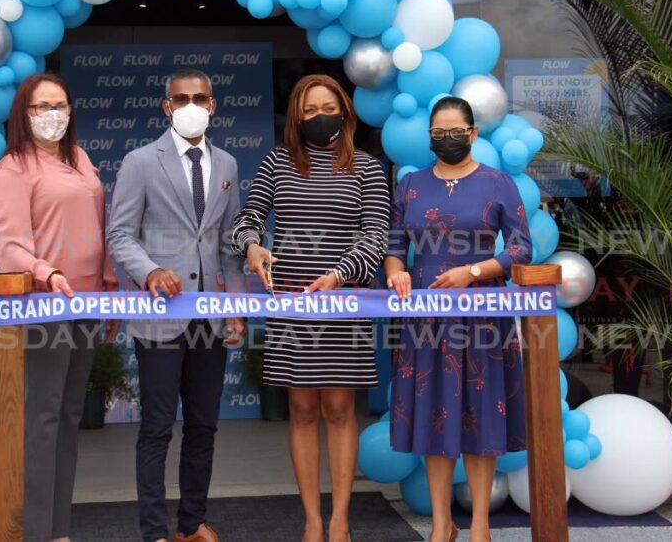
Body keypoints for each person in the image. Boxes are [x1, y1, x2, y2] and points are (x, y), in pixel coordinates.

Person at [233, 75, 389, 542]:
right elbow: (248, 217)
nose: (321, 116)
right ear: (297, 119)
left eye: (328, 106)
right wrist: (252, 247)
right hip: (292, 301)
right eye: (309, 110)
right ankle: (311, 520)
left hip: (344, 301)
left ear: (345, 109)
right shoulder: (277, 163)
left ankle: (340, 520)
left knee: (341, 408)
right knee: (301, 409)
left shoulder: (368, 168)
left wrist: (340, 275)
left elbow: (376, 235)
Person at [106, 68, 245, 542]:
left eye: (199, 97)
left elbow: (228, 243)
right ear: (167, 107)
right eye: (181, 98)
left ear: (213, 105)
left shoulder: (226, 164)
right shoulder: (140, 161)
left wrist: (237, 306)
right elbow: (120, 234)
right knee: (157, 429)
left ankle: (191, 523)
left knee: (204, 427)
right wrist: (148, 272)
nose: (191, 105)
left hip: (209, 317)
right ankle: (154, 532)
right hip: (159, 317)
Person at [384, 96, 533, 542]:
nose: (446, 139)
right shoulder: (409, 185)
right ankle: (440, 524)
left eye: (455, 132)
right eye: (437, 133)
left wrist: (474, 271)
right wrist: (397, 275)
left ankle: (481, 526)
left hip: (484, 317)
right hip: (426, 320)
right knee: (435, 415)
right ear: (429, 137)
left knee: (481, 413)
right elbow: (394, 249)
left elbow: (522, 249)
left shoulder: (497, 183)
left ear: (472, 133)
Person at [0, 73, 119, 542]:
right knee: (41, 419)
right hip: (43, 306)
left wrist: (108, 287)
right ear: (24, 114)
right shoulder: (13, 167)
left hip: (86, 301)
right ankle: (36, 532)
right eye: (41, 107)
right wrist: (48, 273)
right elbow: (5, 244)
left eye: (61, 106)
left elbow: (98, 227)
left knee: (67, 417)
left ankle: (58, 529)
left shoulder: (79, 159)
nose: (53, 115)